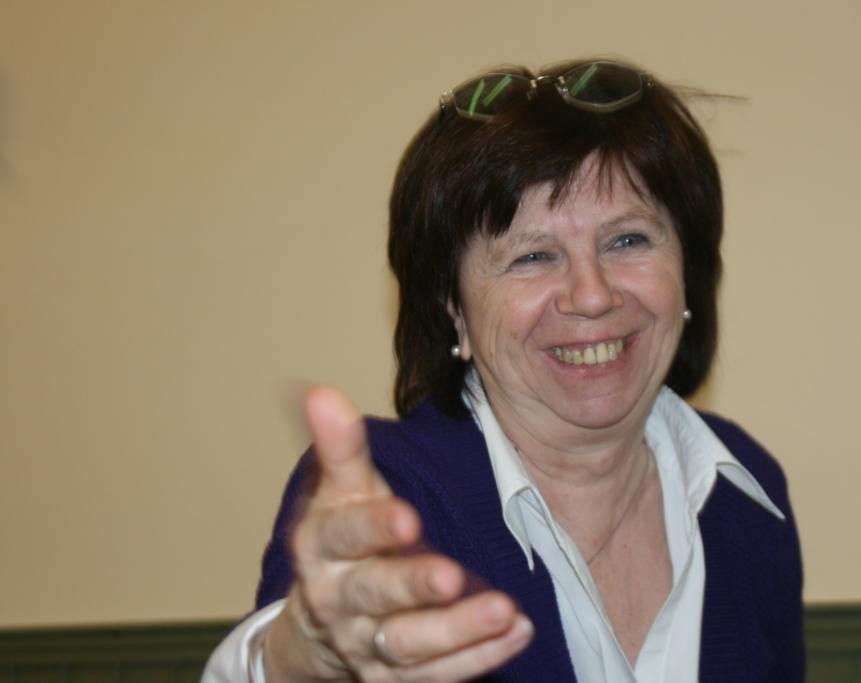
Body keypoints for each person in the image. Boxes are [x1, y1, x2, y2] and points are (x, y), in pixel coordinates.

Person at [204, 58, 804, 682]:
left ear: (688, 271)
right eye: (533, 256)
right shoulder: (391, 491)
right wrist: (305, 657)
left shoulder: (748, 492)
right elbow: (307, 642)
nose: (592, 295)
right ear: (453, 309)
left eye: (628, 240)